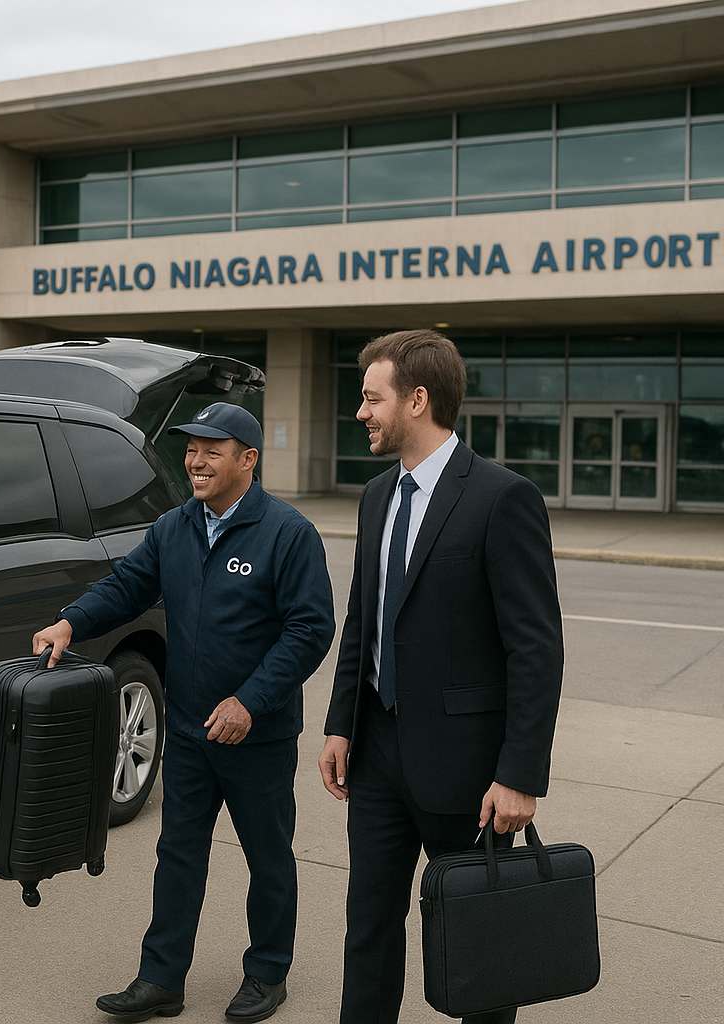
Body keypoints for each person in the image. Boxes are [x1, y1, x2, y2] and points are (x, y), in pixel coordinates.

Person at [33, 402, 334, 1024]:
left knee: (268, 856)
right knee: (178, 853)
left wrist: (250, 701)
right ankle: (161, 978)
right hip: (193, 728)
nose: (196, 460)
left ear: (247, 460)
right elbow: (126, 587)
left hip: (258, 735)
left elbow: (309, 631)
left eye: (212, 450)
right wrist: (71, 621)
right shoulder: (175, 527)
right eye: (192, 448)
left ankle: (268, 971)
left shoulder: (288, 533)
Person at [318, 330, 563, 1024]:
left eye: (372, 398)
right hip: (377, 759)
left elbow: (536, 650)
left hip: (469, 775)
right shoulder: (375, 497)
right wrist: (342, 723)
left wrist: (521, 773)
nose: (360, 412)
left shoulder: (502, 498)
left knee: (479, 946)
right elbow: (363, 622)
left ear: (417, 400)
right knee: (367, 929)